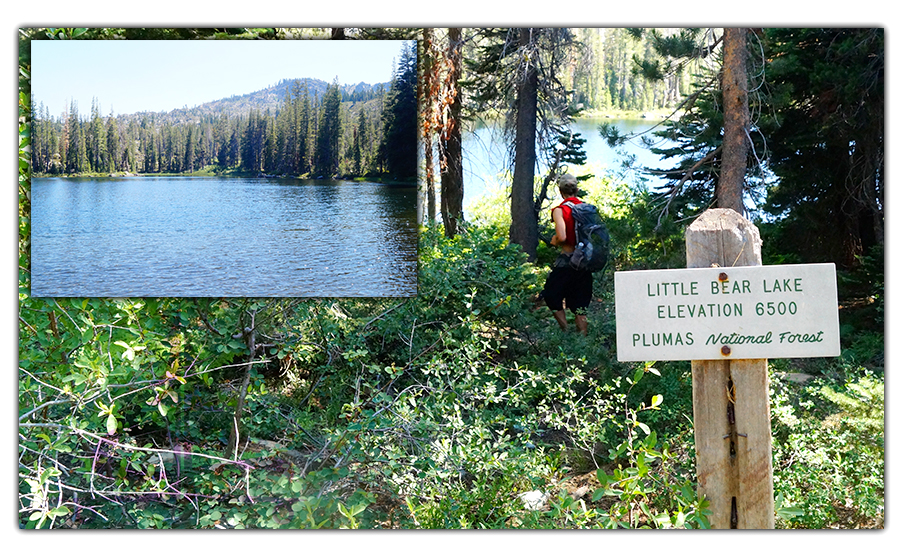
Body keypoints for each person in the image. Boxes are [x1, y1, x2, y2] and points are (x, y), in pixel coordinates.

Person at [543, 173, 592, 334]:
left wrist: (554, 240)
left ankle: (566, 331)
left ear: (560, 191)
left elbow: (562, 236)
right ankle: (583, 340)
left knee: (551, 295)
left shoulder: (559, 210)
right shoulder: (587, 208)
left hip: (567, 261)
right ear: (577, 190)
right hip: (585, 262)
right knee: (580, 304)